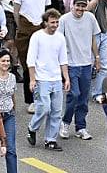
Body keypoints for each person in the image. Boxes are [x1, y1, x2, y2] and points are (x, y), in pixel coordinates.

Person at [25, 8, 69, 152]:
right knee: (44, 108)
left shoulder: (60, 37)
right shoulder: (37, 36)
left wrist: (66, 78)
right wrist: (32, 79)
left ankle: (50, 140)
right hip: (41, 78)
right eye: (52, 22)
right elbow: (30, 60)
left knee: (56, 111)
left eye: (57, 22)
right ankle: (32, 127)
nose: (55, 25)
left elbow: (63, 59)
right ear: (45, 23)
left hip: (56, 78)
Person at [57, 0, 100, 141]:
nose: (80, 9)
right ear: (72, 5)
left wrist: (97, 58)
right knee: (73, 94)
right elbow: (59, 41)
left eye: (83, 6)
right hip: (71, 64)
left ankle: (81, 127)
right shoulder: (64, 20)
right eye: (78, 6)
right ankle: (65, 122)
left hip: (86, 63)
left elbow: (93, 39)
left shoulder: (90, 18)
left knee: (83, 98)